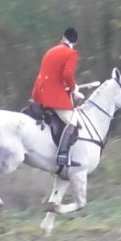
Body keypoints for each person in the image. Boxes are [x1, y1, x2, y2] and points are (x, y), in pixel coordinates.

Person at [31, 28, 81, 169]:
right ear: (75, 41)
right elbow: (67, 74)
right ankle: (63, 155)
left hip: (40, 93)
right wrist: (74, 89)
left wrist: (67, 87)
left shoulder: (50, 51)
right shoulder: (71, 53)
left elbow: (49, 76)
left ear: (63, 38)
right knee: (73, 121)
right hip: (54, 96)